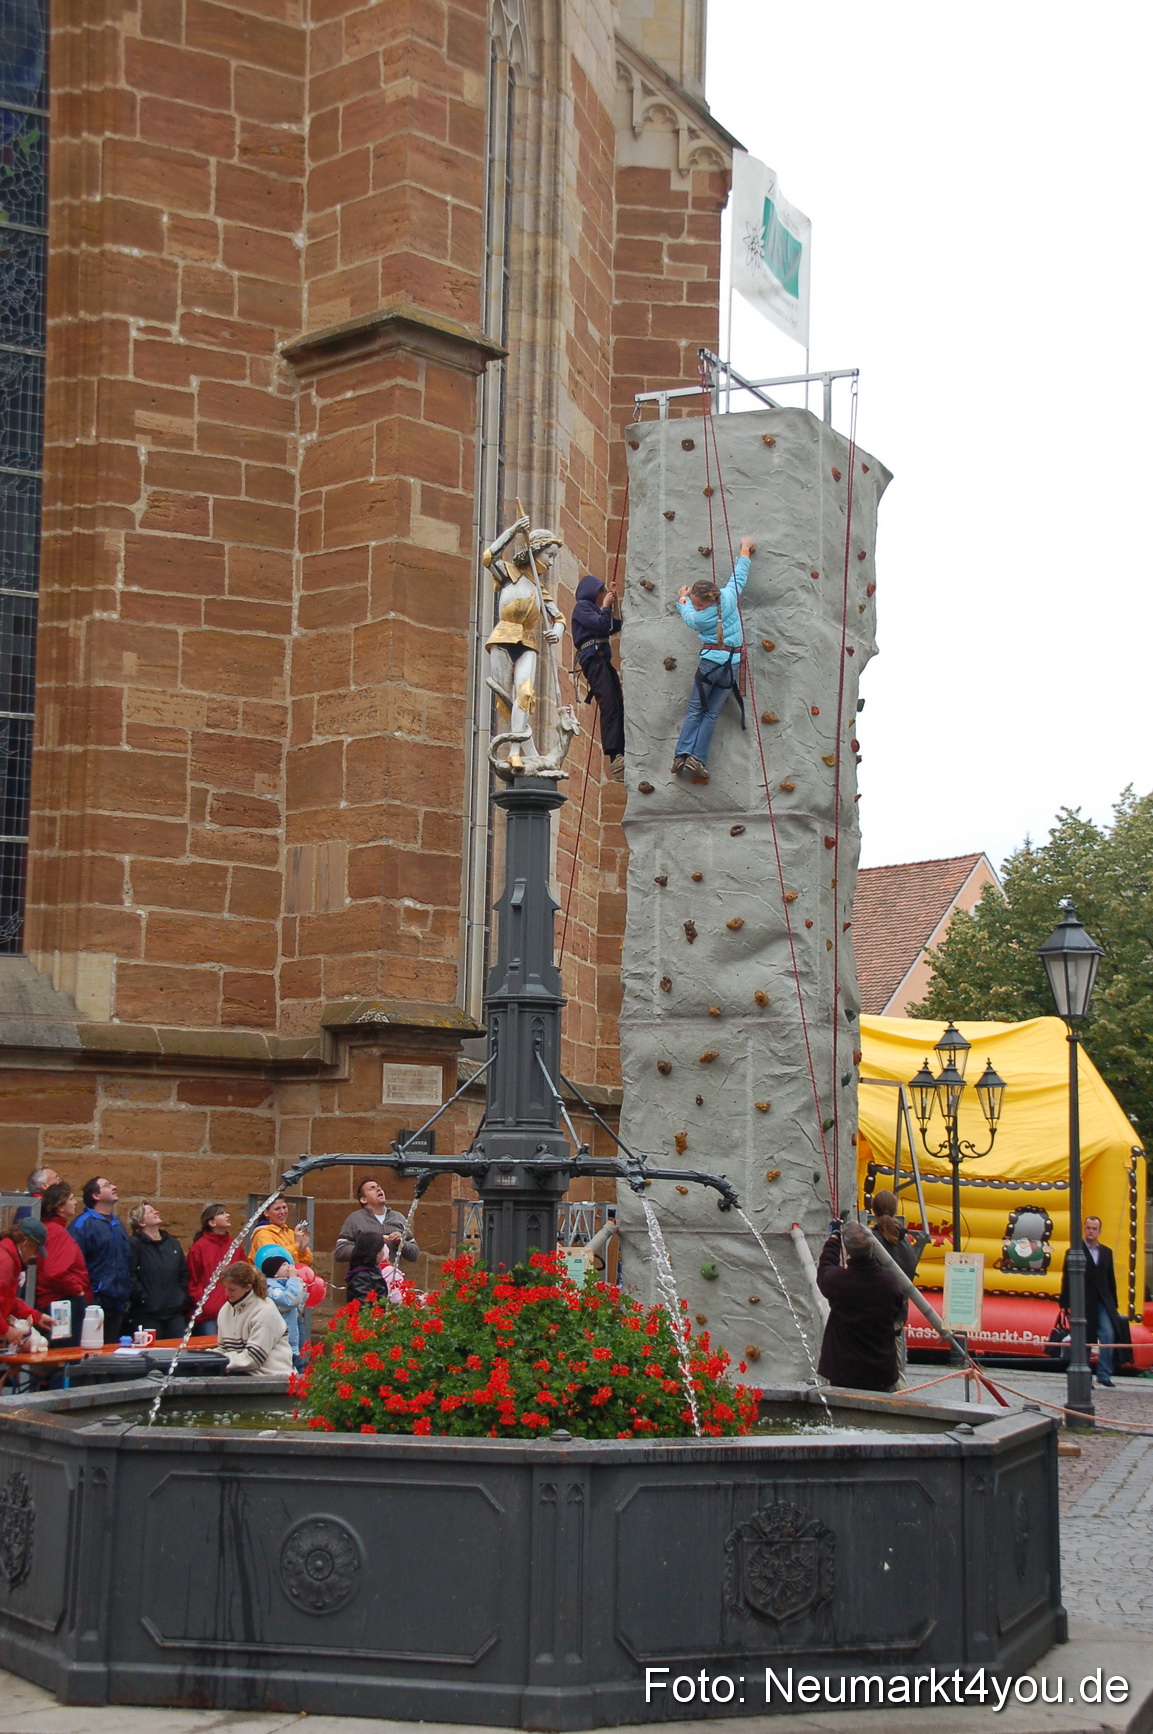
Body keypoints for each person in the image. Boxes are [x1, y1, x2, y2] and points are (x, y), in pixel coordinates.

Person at [483, 511, 568, 776]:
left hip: (527, 642)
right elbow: (488, 557)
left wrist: (556, 632)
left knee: (525, 693)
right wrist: (513, 530)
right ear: (536, 551)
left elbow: (559, 618)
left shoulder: (540, 590)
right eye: (549, 555)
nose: (551, 562)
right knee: (504, 699)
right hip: (502, 637)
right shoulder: (509, 573)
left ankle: (514, 751)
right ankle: (529, 750)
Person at [672, 535, 756, 780]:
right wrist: (745, 549)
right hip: (731, 666)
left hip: (710, 665)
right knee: (711, 714)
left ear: (708, 601)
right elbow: (739, 576)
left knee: (696, 710)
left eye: (699, 604)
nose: (696, 607)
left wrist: (683, 599)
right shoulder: (728, 596)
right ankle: (697, 759)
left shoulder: (699, 618)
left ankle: (682, 754)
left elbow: (689, 616)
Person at [816, 1218, 906, 1392]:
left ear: (848, 1250)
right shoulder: (889, 1281)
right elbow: (897, 1310)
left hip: (844, 1371)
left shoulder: (839, 1281)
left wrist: (834, 1238)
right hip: (880, 1370)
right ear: (872, 1246)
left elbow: (825, 1266)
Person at [68, 1176, 134, 1342]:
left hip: (118, 1301)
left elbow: (126, 1259)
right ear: (95, 1195)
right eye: (107, 1185)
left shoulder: (117, 1223)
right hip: (95, 1302)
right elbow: (74, 1264)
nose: (114, 1187)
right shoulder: (82, 1225)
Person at [572, 573, 623, 781]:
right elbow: (601, 625)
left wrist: (614, 603)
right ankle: (614, 755)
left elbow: (614, 625)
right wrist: (606, 606)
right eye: (601, 591)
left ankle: (620, 752)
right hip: (594, 660)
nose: (603, 594)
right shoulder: (582, 608)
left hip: (602, 660)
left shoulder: (595, 609)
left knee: (617, 703)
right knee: (609, 704)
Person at [1059, 1214, 1120, 1387]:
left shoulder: (1106, 1252)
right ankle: (1085, 1375)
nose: (1091, 1231)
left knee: (1108, 1334)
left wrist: (1113, 1304)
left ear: (1099, 1231)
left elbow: (1110, 1279)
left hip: (1103, 1301)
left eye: (1094, 1229)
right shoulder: (1074, 1251)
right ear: (1084, 1229)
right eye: (1088, 1228)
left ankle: (1104, 1373)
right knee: (1084, 1336)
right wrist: (1065, 1303)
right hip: (1083, 1301)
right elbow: (1067, 1278)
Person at [34, 1181, 92, 1346]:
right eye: (71, 1199)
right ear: (60, 1207)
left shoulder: (50, 1229)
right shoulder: (57, 1232)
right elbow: (55, 1272)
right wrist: (77, 1290)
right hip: (63, 1302)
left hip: (57, 1300)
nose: (75, 1203)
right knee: (65, 1352)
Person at [216, 1262, 293, 1377]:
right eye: (225, 1288)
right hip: (240, 1374)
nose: (227, 1294)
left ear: (248, 1288)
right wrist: (204, 1358)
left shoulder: (265, 1311)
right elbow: (223, 1349)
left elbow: (253, 1359)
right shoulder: (225, 1310)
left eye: (232, 1290)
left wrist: (216, 1361)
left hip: (270, 1377)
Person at [127, 1201, 190, 1339]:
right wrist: (144, 1299)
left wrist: (181, 1297)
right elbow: (130, 1275)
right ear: (141, 1222)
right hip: (147, 1314)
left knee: (180, 1347)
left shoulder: (173, 1244)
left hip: (174, 1312)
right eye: (150, 1211)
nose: (156, 1212)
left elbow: (183, 1273)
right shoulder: (134, 1244)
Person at [186, 1203, 244, 1336]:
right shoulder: (199, 1247)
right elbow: (193, 1281)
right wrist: (206, 1305)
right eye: (222, 1213)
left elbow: (244, 1275)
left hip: (233, 1312)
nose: (228, 1215)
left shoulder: (235, 1245)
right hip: (208, 1316)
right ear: (212, 1223)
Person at [334, 1179, 418, 1268]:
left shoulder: (399, 1218)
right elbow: (340, 1252)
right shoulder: (354, 1219)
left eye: (379, 1187)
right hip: (366, 1276)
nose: (379, 1189)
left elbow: (415, 1255)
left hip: (392, 1276)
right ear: (363, 1199)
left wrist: (401, 1242)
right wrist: (370, 1245)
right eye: (372, 1188)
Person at [0, 1219, 54, 1345]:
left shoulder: (8, 1258)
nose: (33, 1256)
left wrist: (36, 1316)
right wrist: (6, 1330)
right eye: (35, 1251)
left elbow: (8, 1300)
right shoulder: (5, 1262)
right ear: (25, 1244)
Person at [254, 1246, 308, 1373]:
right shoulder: (271, 1288)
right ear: (275, 1273)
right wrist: (294, 1279)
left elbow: (297, 1308)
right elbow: (289, 1301)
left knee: (300, 1367)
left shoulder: (287, 1285)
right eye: (284, 1265)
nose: (289, 1266)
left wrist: (302, 1293)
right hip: (282, 1343)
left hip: (293, 1339)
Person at [344, 1230, 404, 1306]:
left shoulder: (369, 1273)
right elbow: (363, 1307)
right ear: (377, 1253)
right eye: (382, 1249)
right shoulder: (363, 1277)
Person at [251, 1197, 313, 1267]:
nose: (283, 1212)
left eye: (284, 1207)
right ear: (266, 1213)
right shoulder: (262, 1234)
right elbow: (275, 1262)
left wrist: (302, 1250)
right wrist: (296, 1244)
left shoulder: (290, 1232)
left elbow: (307, 1264)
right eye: (277, 1209)